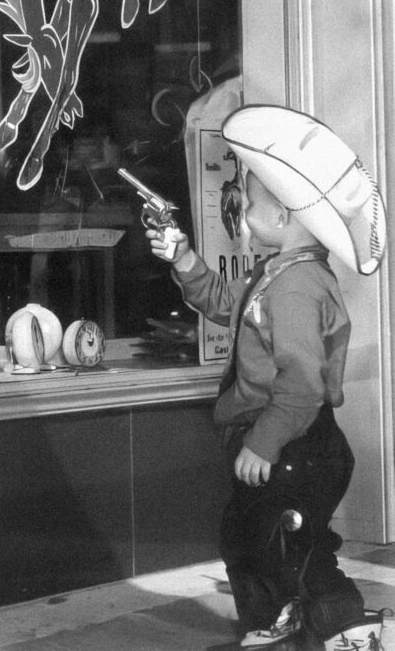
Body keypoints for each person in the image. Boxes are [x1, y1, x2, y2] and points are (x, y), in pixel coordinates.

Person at [147, 104, 387, 649]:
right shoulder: (276, 274)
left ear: (280, 218)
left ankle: (349, 629)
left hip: (295, 443)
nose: (240, 208)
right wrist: (183, 258)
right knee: (248, 539)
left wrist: (264, 443)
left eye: (249, 202)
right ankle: (274, 621)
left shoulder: (297, 288)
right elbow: (221, 301)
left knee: (292, 547)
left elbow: (302, 382)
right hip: (283, 439)